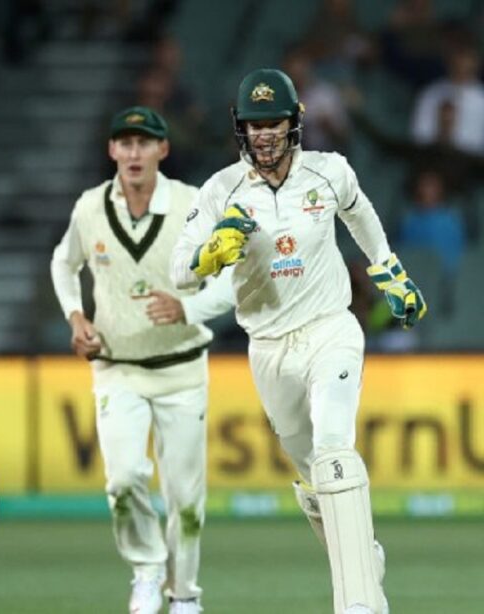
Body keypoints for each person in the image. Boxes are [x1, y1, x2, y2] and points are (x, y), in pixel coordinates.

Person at [171, 69, 426, 614]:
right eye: (254, 125)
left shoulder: (329, 171)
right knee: (316, 478)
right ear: (241, 129)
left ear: (294, 124)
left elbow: (360, 213)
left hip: (330, 328)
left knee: (335, 449)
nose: (264, 134)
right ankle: (364, 559)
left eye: (274, 123)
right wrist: (211, 253)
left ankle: (358, 605)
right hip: (268, 348)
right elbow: (179, 272)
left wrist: (388, 270)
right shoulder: (220, 190)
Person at [50, 106, 234, 614]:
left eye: (144, 143)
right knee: (124, 479)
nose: (134, 153)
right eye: (125, 143)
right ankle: (148, 569)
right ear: (112, 150)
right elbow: (63, 263)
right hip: (117, 368)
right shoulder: (90, 207)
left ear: (163, 150)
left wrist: (187, 308)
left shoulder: (193, 205)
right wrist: (75, 317)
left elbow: (231, 281)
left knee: (186, 501)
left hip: (181, 369)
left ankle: (185, 595)